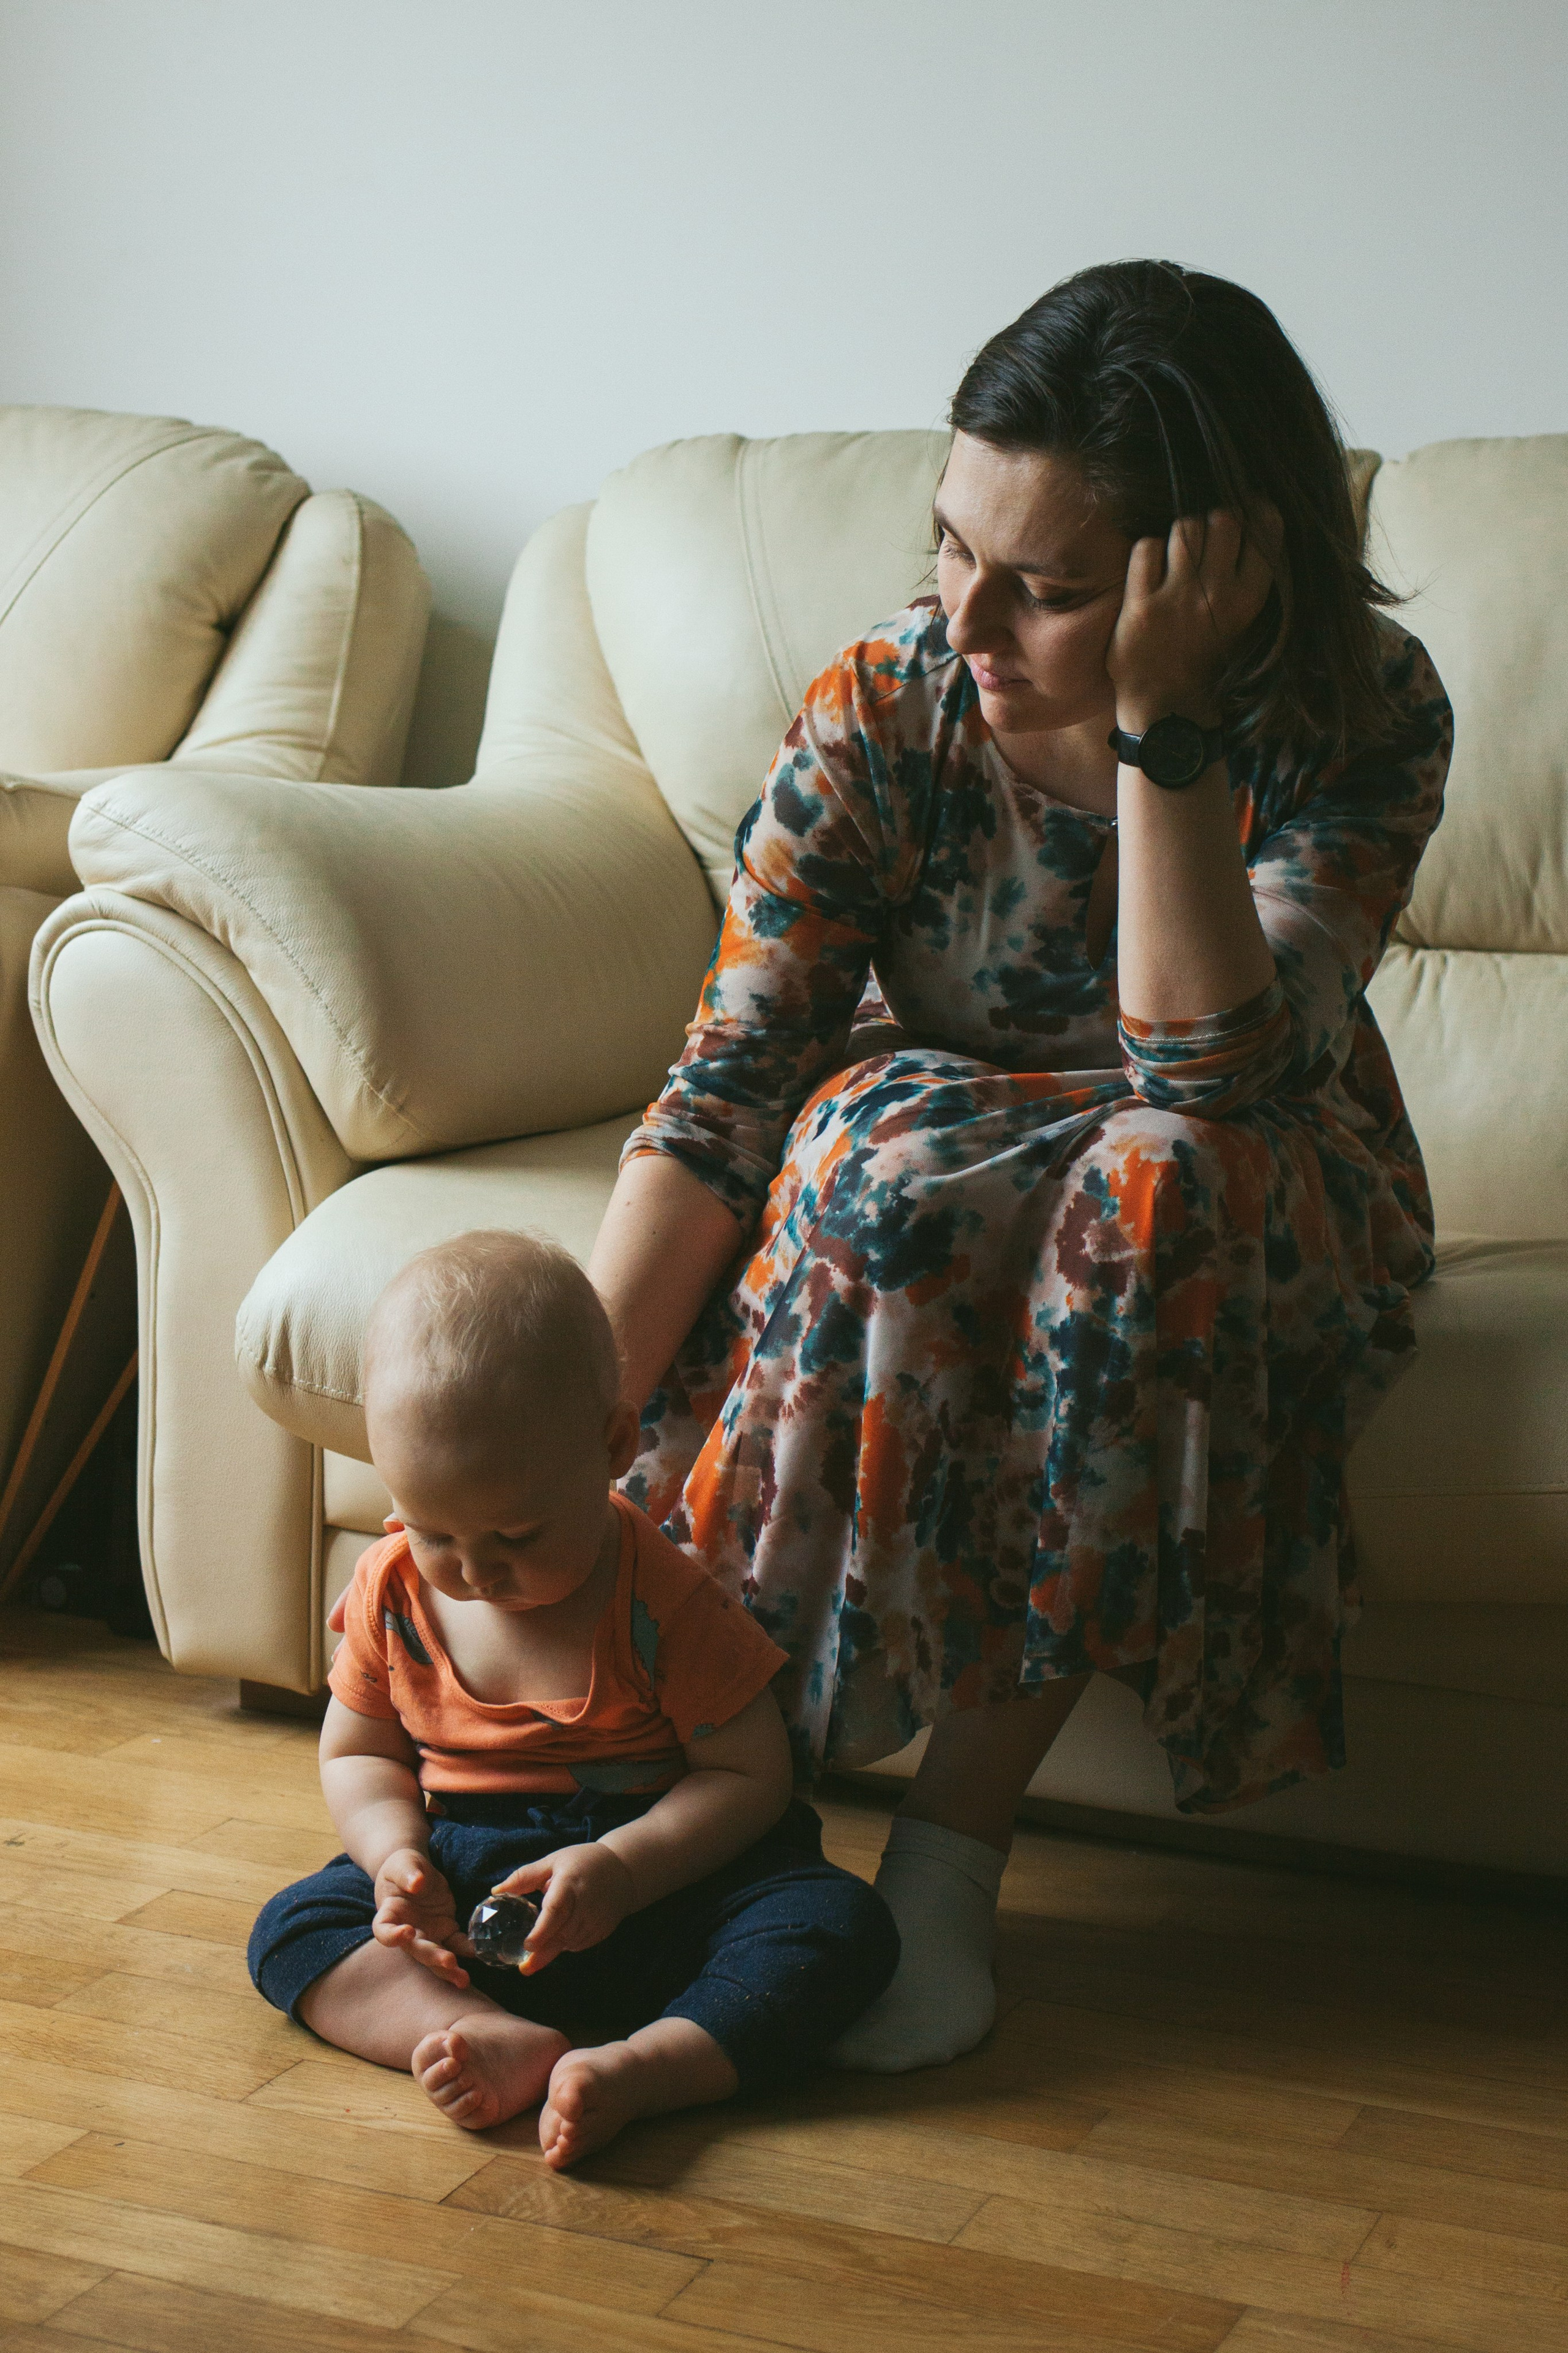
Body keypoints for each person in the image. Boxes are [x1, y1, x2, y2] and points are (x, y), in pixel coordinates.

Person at [588, 260, 1454, 2074]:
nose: (966, 616)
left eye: (1045, 588)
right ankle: (738, 1807)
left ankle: (947, 1863)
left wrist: (1160, 727)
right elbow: (726, 1092)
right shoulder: (885, 701)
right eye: (950, 544)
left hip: (1240, 1177)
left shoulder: (1358, 712)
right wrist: (562, 1425)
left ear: (1219, 569)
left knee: (1152, 1181)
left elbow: (1209, 1067)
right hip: (960, 1162)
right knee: (871, 1156)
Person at [247, 1230, 899, 2166]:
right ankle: (475, 2029)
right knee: (295, 1928)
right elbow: (359, 1751)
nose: (474, 1571)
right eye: (434, 1530)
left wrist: (621, 1869)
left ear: (611, 1446)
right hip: (468, 1887)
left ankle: (653, 2063)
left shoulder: (663, 1601)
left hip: (661, 1889)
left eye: (514, 1534)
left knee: (837, 1926)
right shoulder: (392, 1589)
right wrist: (395, 1859)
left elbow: (752, 1776)